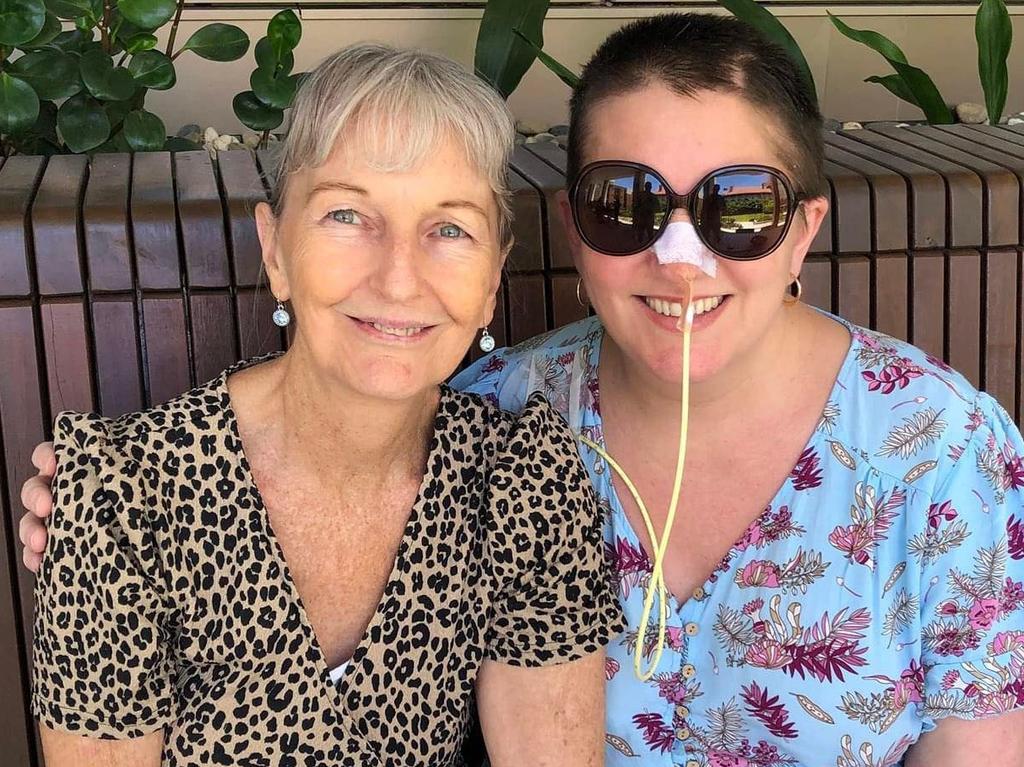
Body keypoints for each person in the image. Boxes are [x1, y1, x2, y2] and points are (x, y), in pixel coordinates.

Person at [19, 13, 1024, 767]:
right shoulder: (513, 412)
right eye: (625, 202)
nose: (681, 261)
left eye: (741, 207)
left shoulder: (938, 455)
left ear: (802, 226)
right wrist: (104, 503)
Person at [19, 43, 620, 767]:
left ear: (492, 276)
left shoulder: (521, 481)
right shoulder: (123, 496)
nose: (400, 279)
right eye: (346, 214)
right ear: (276, 249)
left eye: (450, 228)